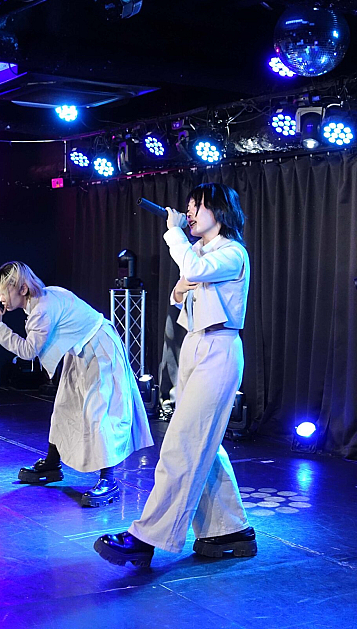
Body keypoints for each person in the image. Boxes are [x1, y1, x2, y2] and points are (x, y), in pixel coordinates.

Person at [95, 182, 256, 567]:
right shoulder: (200, 251)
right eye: (188, 206)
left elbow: (194, 271)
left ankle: (148, 535)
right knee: (203, 443)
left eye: (197, 206)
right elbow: (180, 294)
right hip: (196, 344)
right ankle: (230, 529)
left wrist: (174, 234)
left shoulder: (233, 252)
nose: (190, 213)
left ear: (220, 210)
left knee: (183, 444)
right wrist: (181, 288)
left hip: (219, 348)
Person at [0, 261, 153, 506]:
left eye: (4, 292)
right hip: (80, 352)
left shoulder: (42, 309)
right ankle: (52, 464)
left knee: (98, 413)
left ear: (22, 289)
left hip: (100, 349)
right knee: (64, 407)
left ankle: (108, 480)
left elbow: (28, 351)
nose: (0, 298)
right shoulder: (43, 300)